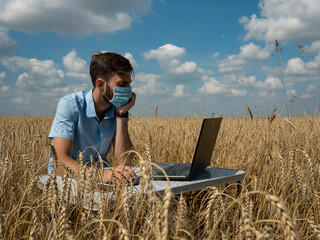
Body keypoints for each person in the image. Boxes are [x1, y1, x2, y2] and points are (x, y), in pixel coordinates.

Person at [48, 51, 137, 184]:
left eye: (129, 84)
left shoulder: (116, 109)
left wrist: (122, 115)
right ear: (101, 84)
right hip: (68, 179)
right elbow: (59, 163)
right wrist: (103, 175)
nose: (128, 90)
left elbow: (124, 161)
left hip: (102, 178)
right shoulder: (70, 105)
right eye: (122, 84)